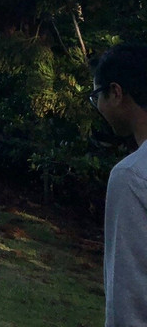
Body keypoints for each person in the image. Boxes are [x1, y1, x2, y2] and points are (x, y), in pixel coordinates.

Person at [91, 43, 147, 326]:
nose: (97, 107)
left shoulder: (131, 176)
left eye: (96, 96)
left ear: (116, 92)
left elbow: (130, 300)